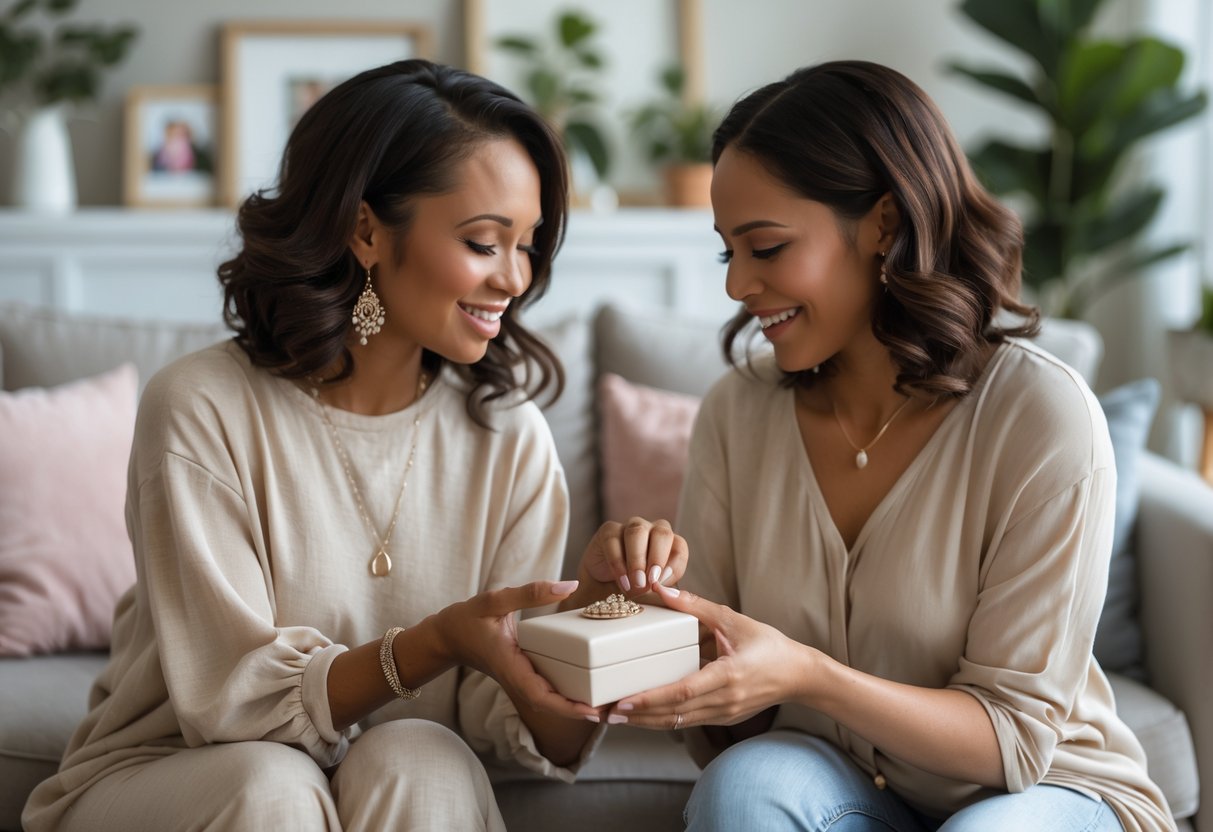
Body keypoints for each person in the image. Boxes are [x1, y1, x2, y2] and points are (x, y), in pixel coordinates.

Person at [23, 59, 685, 831]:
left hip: (396, 768)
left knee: (420, 757)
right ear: (365, 229)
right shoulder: (201, 407)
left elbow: (513, 728)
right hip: (178, 772)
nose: (514, 279)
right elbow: (229, 703)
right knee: (272, 787)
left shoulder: (510, 438)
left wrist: (602, 634)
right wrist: (434, 642)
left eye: (528, 246)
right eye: (483, 242)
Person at [611, 61, 1175, 831]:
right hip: (836, 785)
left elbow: (1011, 742)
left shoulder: (1038, 416)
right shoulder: (736, 414)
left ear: (881, 223)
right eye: (726, 253)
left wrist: (807, 675)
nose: (736, 284)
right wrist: (650, 626)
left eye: (766, 247)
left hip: (1034, 794)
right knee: (742, 789)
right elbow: (727, 734)